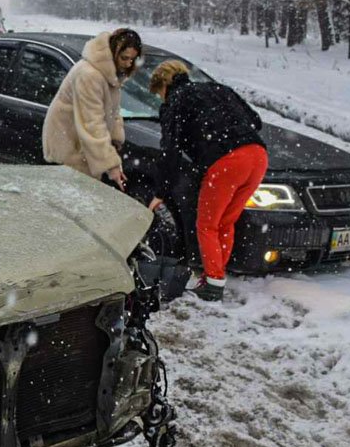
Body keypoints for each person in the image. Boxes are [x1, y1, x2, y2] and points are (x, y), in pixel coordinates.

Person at [147, 60, 268, 302]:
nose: (161, 99)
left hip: (226, 163)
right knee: (226, 221)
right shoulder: (218, 89)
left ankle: (212, 283)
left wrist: (161, 191)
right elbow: (255, 121)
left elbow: (169, 151)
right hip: (257, 156)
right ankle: (217, 276)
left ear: (164, 85)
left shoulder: (176, 101)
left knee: (207, 225)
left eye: (159, 93)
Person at [42, 28, 142, 189]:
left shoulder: (110, 74)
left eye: (132, 59)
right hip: (69, 143)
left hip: (84, 144)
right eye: (124, 58)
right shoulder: (89, 74)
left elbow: (112, 110)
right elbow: (92, 122)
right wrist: (111, 164)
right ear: (113, 52)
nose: (128, 63)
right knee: (75, 198)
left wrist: (115, 138)